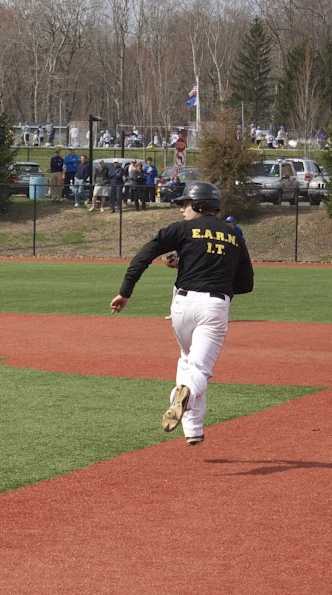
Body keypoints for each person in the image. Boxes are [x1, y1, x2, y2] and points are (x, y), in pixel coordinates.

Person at [108, 181, 254, 447]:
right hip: (214, 306)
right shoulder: (234, 234)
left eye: (185, 204)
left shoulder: (182, 229)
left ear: (199, 204)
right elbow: (246, 284)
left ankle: (193, 428)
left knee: (188, 360)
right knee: (199, 370)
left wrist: (125, 291)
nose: (181, 209)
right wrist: (218, 278)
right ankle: (181, 395)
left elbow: (143, 255)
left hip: (181, 306)